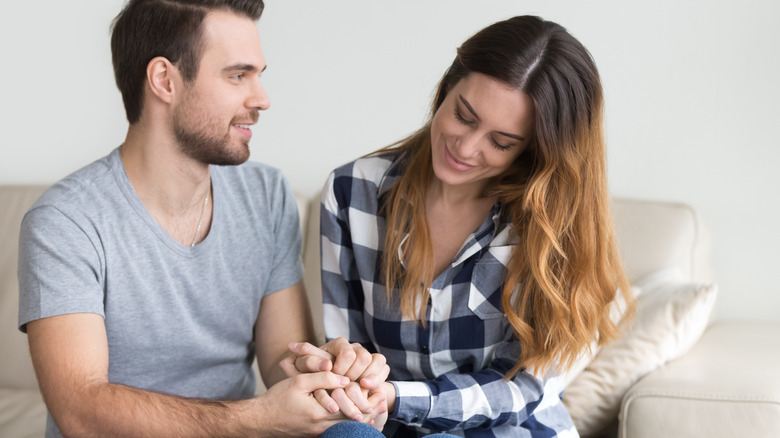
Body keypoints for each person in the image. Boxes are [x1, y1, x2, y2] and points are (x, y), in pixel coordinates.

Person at [17, 0, 388, 436]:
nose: (262, 99)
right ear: (164, 81)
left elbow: (279, 358)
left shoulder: (266, 195)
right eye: (237, 75)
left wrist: (329, 376)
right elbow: (81, 413)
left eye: (258, 75)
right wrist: (255, 418)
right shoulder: (66, 222)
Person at [319, 15, 635, 437]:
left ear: (536, 149)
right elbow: (345, 347)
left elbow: (524, 387)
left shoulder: (551, 226)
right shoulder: (351, 191)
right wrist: (343, 371)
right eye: (464, 116)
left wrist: (402, 397)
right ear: (447, 88)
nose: (466, 148)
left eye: (501, 142)